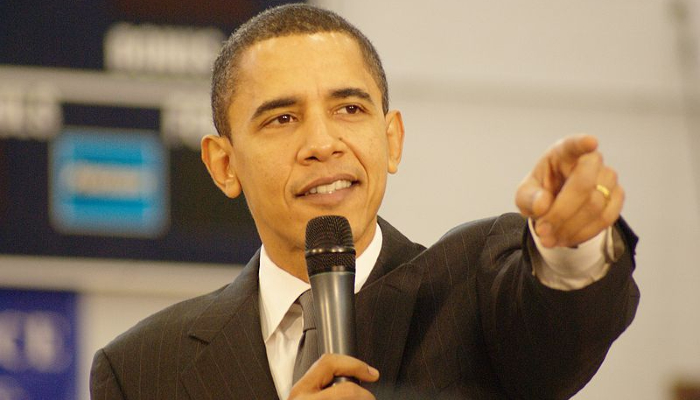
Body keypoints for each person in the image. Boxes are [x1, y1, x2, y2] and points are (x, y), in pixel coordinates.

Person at [90, 4, 639, 400]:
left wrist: (570, 246)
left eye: (350, 109)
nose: (323, 143)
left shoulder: (473, 287)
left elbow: (561, 331)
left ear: (391, 138)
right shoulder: (140, 371)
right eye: (282, 119)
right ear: (224, 164)